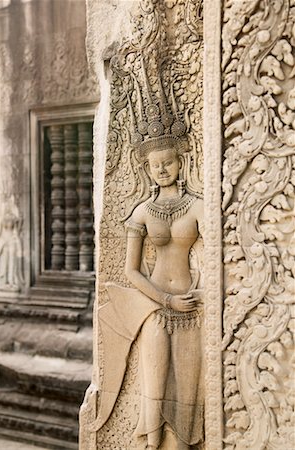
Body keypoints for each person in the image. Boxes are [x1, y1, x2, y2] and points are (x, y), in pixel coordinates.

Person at [124, 135, 204, 449]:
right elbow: (131, 270)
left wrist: (204, 293)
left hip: (190, 309)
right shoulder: (142, 211)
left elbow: (216, 255)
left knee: (186, 389)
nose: (161, 170)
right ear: (147, 170)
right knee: (153, 386)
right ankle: (152, 445)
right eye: (155, 165)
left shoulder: (198, 206)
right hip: (155, 309)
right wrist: (167, 299)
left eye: (167, 162)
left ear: (180, 162)